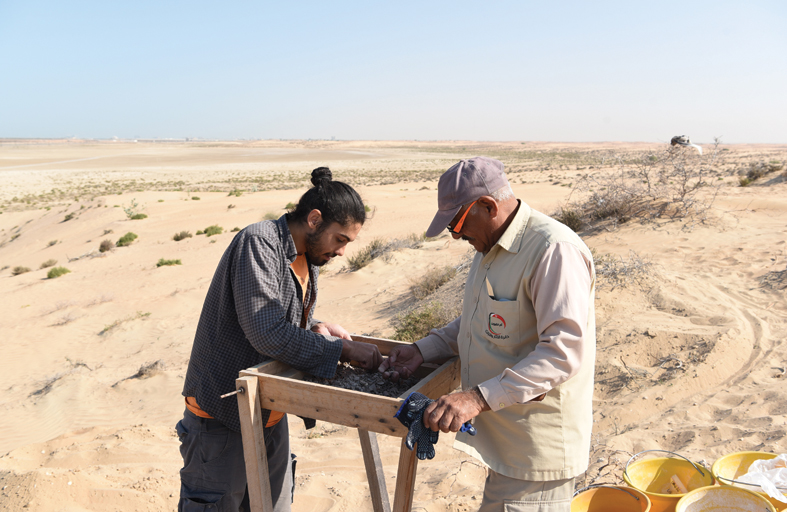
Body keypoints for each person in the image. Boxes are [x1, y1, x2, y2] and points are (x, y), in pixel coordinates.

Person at [379, 157, 595, 512]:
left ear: (488, 206)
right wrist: (422, 349)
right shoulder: (489, 246)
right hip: (505, 445)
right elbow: (477, 321)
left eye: (457, 224)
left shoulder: (553, 250)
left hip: (535, 455)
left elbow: (562, 353)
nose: (457, 235)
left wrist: (476, 399)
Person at [177, 167, 382, 512]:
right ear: (315, 220)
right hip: (221, 416)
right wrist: (342, 349)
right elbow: (267, 333)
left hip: (268, 412)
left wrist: (316, 327)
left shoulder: (307, 256)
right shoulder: (259, 243)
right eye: (341, 239)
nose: (342, 252)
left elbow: (277, 317)